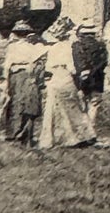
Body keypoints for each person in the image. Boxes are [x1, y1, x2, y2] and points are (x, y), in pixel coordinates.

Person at [37, 19, 97, 149]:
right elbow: (73, 68)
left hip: (54, 80)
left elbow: (48, 68)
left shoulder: (52, 48)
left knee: (53, 110)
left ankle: (52, 138)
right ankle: (81, 136)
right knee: (73, 107)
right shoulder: (70, 48)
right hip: (66, 78)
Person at [0, 21, 47, 145]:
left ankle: (13, 132)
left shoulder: (12, 47)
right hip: (27, 75)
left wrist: (6, 80)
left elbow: (7, 65)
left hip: (15, 75)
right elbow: (34, 64)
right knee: (26, 102)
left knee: (15, 102)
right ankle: (24, 133)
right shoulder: (32, 48)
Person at [71, 20, 109, 132]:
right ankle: (91, 128)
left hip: (81, 78)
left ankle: (83, 129)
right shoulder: (101, 45)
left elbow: (76, 61)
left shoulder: (77, 46)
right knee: (94, 103)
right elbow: (104, 62)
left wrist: (83, 71)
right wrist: (94, 70)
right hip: (97, 77)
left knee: (83, 103)